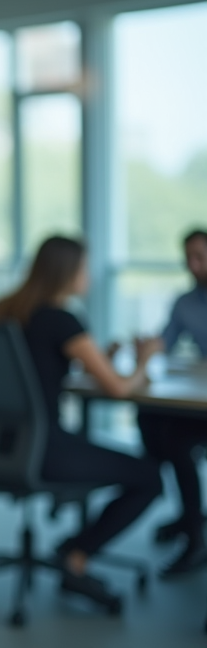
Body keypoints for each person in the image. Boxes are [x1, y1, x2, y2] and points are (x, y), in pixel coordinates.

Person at [0, 236, 162, 605]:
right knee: (149, 477)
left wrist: (100, 356)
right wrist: (144, 360)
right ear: (67, 273)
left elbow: (35, 372)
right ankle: (76, 556)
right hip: (45, 449)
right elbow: (117, 388)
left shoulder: (4, 309)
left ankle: (72, 547)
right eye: (85, 268)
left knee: (125, 465)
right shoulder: (62, 319)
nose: (91, 275)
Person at [137, 228, 207, 576]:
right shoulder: (186, 302)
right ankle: (188, 514)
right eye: (188, 258)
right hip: (199, 401)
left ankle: (194, 536)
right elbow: (165, 341)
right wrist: (142, 348)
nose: (192, 266)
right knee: (150, 416)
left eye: (200, 258)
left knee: (178, 443)